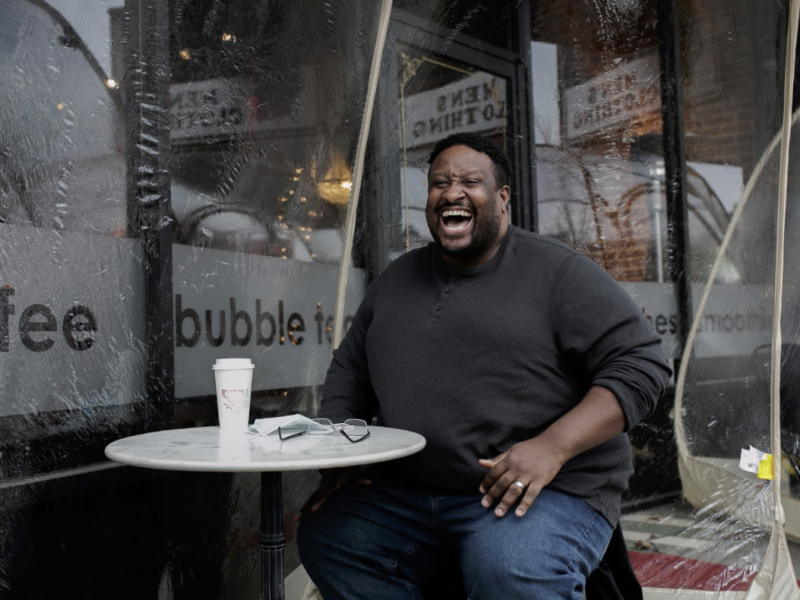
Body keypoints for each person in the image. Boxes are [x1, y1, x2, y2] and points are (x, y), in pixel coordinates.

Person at [296, 132, 671, 599]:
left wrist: (552, 447)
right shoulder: (396, 279)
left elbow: (642, 364)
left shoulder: (557, 272)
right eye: (439, 184)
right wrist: (338, 455)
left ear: (502, 197)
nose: (452, 192)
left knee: (510, 571)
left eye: (470, 181)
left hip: (542, 490)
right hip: (411, 491)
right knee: (330, 537)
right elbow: (351, 371)